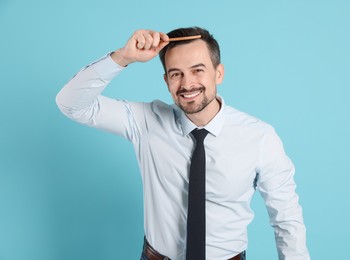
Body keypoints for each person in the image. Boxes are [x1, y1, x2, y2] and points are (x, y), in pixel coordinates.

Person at [56, 26, 310, 260]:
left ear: (218, 73)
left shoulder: (260, 137)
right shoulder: (146, 122)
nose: (187, 84)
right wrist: (123, 57)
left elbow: (287, 220)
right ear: (166, 80)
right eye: (176, 74)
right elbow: (70, 103)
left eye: (198, 70)